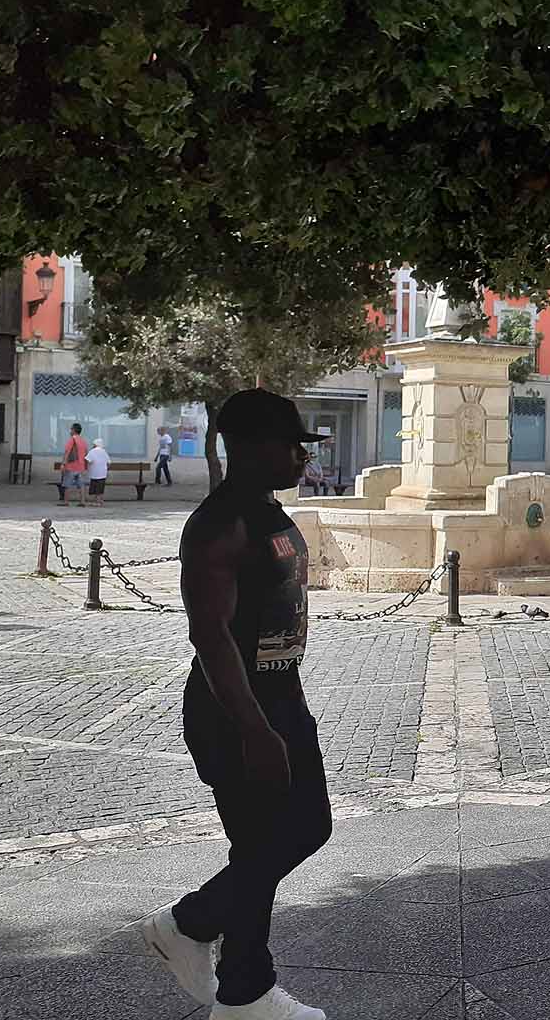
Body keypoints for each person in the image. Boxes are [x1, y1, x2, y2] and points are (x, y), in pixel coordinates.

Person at [142, 388, 330, 1020]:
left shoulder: (265, 508)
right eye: (291, 446)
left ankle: (245, 994)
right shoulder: (221, 522)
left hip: (279, 695)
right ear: (248, 448)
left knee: (264, 848)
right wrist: (254, 728)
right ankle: (189, 926)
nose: (302, 457)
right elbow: (211, 636)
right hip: (235, 709)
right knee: (297, 831)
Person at [59, 422, 89, 507]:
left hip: (71, 466)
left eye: (71, 429)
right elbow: (86, 453)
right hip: (81, 467)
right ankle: (82, 501)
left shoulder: (72, 439)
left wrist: (63, 464)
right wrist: (85, 467)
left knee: (67, 484)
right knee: (81, 485)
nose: (70, 431)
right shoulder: (83, 441)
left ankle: (66, 501)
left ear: (74, 430)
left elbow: (67, 452)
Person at [86, 437, 110, 508]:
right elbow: (109, 462)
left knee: (94, 487)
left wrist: (88, 468)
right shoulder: (104, 451)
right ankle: (100, 501)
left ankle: (96, 501)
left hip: (94, 473)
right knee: (100, 488)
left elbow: (88, 460)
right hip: (102, 473)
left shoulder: (92, 451)